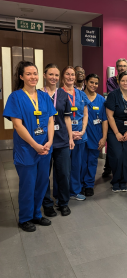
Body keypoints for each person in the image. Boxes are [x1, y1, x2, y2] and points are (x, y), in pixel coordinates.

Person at [3, 61, 56, 232]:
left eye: (35, 73)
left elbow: (50, 120)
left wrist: (49, 141)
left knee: (42, 183)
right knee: (28, 184)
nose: (33, 77)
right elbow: (18, 126)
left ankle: (36, 214)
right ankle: (25, 218)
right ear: (21, 76)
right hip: (27, 150)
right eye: (28, 74)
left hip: (44, 148)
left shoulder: (44, 96)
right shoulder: (15, 97)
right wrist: (34, 145)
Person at [41, 64, 74, 218]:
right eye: (50, 74)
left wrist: (71, 137)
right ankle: (47, 204)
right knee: (44, 174)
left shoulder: (63, 94)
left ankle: (63, 202)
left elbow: (67, 117)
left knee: (63, 173)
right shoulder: (39, 94)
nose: (53, 78)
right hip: (44, 141)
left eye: (56, 75)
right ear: (44, 75)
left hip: (61, 140)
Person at [61, 66, 89, 201]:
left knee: (77, 164)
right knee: (63, 166)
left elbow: (85, 114)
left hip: (80, 135)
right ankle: (62, 193)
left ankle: (75, 191)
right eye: (67, 74)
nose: (71, 77)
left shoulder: (81, 94)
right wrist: (69, 133)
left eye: (73, 74)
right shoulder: (58, 94)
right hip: (64, 136)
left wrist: (83, 131)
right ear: (62, 77)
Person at [81, 74, 108, 196]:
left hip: (95, 136)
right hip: (80, 136)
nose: (94, 85)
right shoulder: (79, 97)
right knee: (80, 162)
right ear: (86, 82)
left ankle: (89, 185)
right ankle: (79, 184)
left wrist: (104, 137)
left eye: (96, 83)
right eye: (91, 82)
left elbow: (104, 120)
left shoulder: (101, 100)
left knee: (92, 162)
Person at [103, 58, 127, 177]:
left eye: (124, 66)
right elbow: (114, 95)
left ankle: (124, 170)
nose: (122, 68)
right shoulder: (111, 80)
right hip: (114, 115)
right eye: (120, 66)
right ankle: (108, 167)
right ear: (116, 68)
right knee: (112, 145)